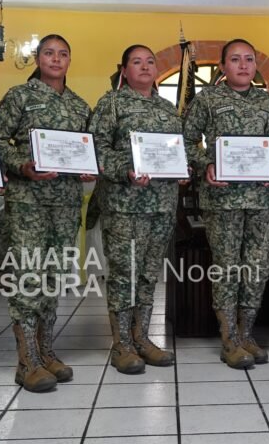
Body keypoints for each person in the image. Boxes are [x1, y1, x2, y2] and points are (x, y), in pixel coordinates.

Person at [0, 34, 92, 392]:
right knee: (28, 276)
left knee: (55, 277)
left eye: (63, 53)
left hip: (65, 202)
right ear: (37, 58)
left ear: (69, 60)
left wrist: (88, 167)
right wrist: (22, 164)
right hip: (28, 201)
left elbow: (88, 148)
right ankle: (27, 360)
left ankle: (46, 351)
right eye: (49, 53)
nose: (56, 59)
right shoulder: (19, 96)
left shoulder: (79, 105)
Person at [183, 38, 269, 369]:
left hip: (261, 200)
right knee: (227, 267)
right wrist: (205, 164)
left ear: (255, 65)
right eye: (236, 59)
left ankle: (246, 333)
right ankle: (228, 338)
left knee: (256, 267)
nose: (243, 65)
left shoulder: (268, 102)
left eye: (249, 59)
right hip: (222, 199)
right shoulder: (207, 99)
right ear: (223, 66)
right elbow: (186, 140)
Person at [88, 45, 182, 374]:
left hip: (162, 205)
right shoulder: (111, 103)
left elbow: (177, 150)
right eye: (136, 62)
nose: (144, 67)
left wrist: (182, 168)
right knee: (124, 273)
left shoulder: (168, 109)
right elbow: (96, 148)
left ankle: (141, 338)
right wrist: (125, 169)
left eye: (150, 62)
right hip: (124, 205)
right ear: (124, 70)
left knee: (148, 274)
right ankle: (122, 344)